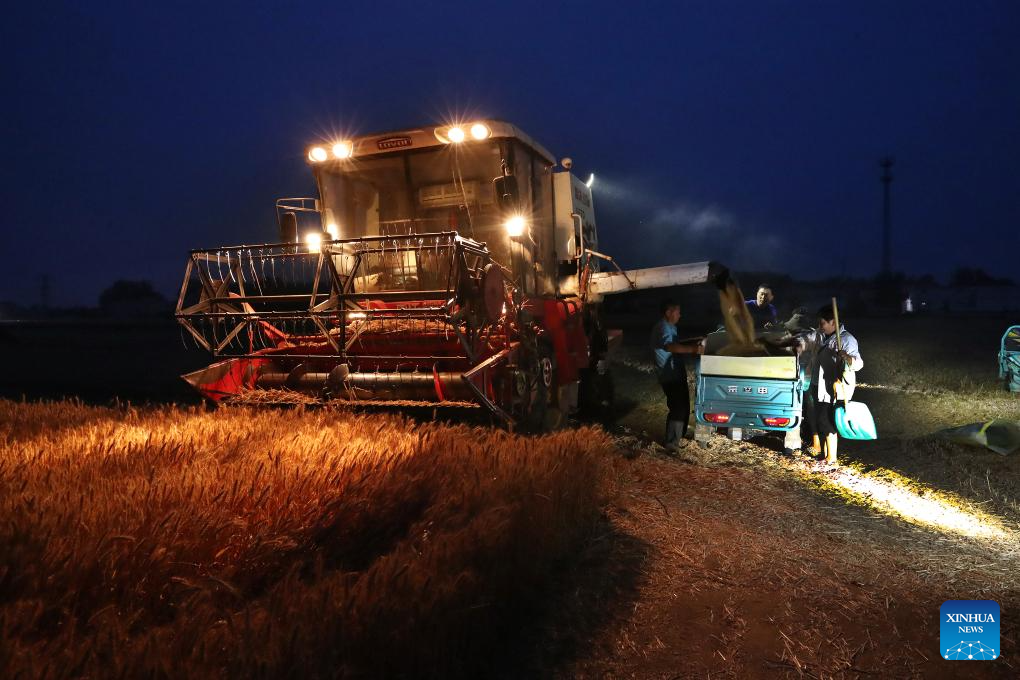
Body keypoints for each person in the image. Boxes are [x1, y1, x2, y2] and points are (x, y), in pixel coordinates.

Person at [803, 303, 864, 464]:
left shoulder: (847, 339)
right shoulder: (821, 336)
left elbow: (858, 364)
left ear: (833, 322)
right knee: (820, 421)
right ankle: (826, 455)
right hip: (817, 385)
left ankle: (831, 458)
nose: (820, 326)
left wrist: (848, 358)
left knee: (827, 421)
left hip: (834, 388)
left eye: (822, 323)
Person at [650, 299, 704, 451]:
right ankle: (671, 443)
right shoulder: (663, 327)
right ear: (668, 312)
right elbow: (670, 346)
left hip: (676, 373)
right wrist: (694, 349)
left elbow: (676, 344)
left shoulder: (670, 327)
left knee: (684, 406)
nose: (680, 315)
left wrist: (693, 342)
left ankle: (678, 437)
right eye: (677, 312)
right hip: (669, 375)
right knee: (678, 407)